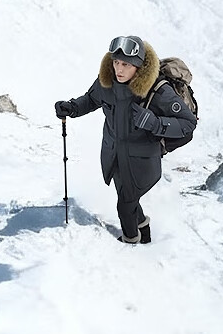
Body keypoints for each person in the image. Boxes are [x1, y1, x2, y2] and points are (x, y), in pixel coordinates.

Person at [55, 35, 197, 243]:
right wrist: (72, 108)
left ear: (139, 67)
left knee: (125, 204)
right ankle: (144, 233)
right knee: (127, 196)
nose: (119, 69)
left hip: (141, 160)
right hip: (114, 154)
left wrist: (155, 123)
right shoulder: (107, 82)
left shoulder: (158, 90)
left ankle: (130, 245)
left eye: (126, 65)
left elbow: (188, 123)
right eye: (116, 62)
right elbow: (91, 99)